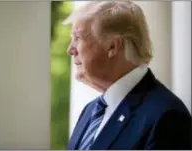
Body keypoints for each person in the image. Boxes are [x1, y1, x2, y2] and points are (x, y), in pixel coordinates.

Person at [63, 1, 191, 150]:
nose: (70, 49)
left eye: (78, 38)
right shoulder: (90, 110)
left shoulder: (167, 116)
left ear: (112, 46)